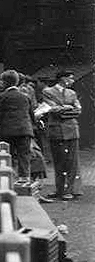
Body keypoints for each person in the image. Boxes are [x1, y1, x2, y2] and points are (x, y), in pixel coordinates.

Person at [42, 70, 82, 201]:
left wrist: (63, 108)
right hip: (57, 131)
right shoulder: (47, 91)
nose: (72, 81)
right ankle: (60, 189)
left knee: (72, 161)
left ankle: (70, 190)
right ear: (62, 79)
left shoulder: (72, 93)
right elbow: (53, 109)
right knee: (59, 162)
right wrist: (69, 108)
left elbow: (78, 109)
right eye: (70, 78)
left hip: (71, 130)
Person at [0, 70, 35, 181]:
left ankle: (9, 181)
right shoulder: (25, 96)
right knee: (24, 156)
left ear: (5, 82)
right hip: (25, 130)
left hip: (7, 131)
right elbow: (31, 114)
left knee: (9, 156)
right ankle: (24, 180)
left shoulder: (2, 97)